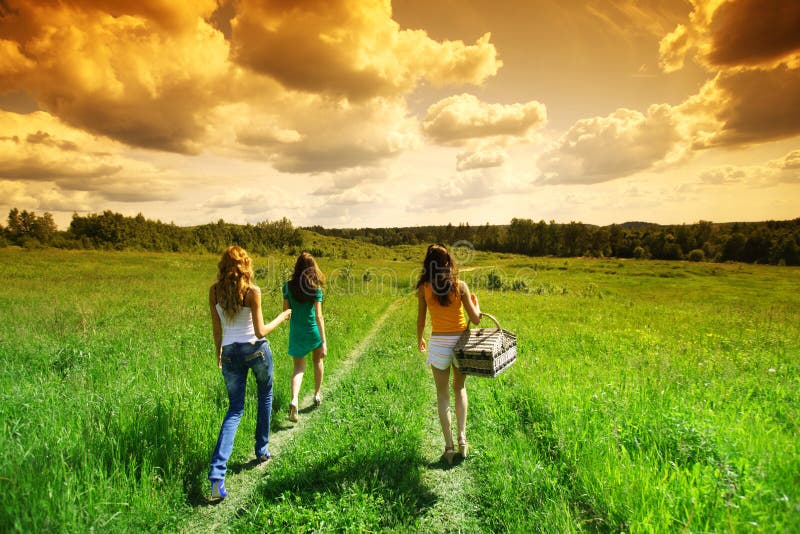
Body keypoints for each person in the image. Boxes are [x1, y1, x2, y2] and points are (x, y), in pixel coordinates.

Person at [208, 246, 292, 499]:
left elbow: (217, 328)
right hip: (256, 351)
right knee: (265, 396)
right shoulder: (252, 292)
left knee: (235, 409)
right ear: (246, 265)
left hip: (230, 352)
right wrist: (283, 315)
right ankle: (261, 450)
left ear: (223, 266)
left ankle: (216, 474)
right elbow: (260, 332)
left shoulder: (214, 291)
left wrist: (219, 353)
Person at [416, 244, 482, 465]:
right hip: (461, 343)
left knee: (442, 395)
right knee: (459, 388)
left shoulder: (425, 288)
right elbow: (475, 319)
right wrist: (475, 303)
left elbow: (421, 319)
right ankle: (463, 440)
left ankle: (449, 448)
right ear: (449, 263)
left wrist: (420, 338)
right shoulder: (460, 286)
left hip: (439, 344)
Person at [282, 252, 327, 423]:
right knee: (318, 361)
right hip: (313, 331)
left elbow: (286, 312)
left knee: (298, 368)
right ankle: (316, 394)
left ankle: (294, 399)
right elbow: (319, 317)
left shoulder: (287, 287)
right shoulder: (316, 289)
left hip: (297, 332)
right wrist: (324, 340)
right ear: (312, 268)